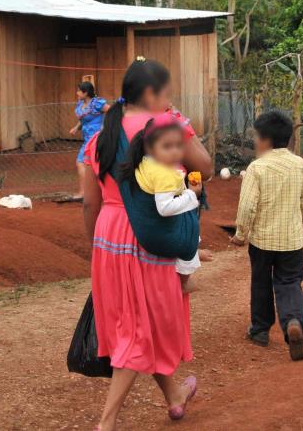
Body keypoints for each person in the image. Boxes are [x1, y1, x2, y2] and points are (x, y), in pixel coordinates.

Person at [82, 58, 212, 431]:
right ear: (153, 94)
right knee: (137, 331)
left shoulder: (99, 136)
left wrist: (95, 250)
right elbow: (204, 163)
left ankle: (174, 396)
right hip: (150, 233)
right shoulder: (164, 127)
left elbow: (91, 201)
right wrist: (183, 123)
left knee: (138, 322)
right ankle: (106, 423)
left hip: (109, 236)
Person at [230, 110, 303, 361]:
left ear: (265, 140)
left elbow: (247, 207)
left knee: (262, 282)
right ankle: (293, 322)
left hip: (262, 241)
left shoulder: (257, 168)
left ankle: (260, 332)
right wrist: (292, 218)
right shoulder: (299, 164)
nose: (255, 141)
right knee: (289, 282)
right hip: (291, 241)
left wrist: (240, 234)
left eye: (256, 137)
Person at [119, 114, 203, 293]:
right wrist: (192, 194)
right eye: (167, 146)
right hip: (163, 236)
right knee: (192, 225)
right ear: (149, 146)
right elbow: (165, 208)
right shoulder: (164, 173)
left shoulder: (146, 162)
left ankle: (195, 253)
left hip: (147, 230)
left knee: (189, 220)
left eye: (179, 146)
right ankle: (184, 281)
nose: (174, 151)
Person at [70, 81, 110, 200]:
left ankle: (83, 192)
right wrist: (76, 128)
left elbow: (112, 111)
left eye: (79, 90)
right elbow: (83, 119)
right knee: (95, 164)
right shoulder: (81, 104)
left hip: (96, 137)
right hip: (87, 138)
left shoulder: (97, 103)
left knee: (80, 162)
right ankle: (98, 192)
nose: (77, 93)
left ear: (85, 92)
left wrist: (106, 126)